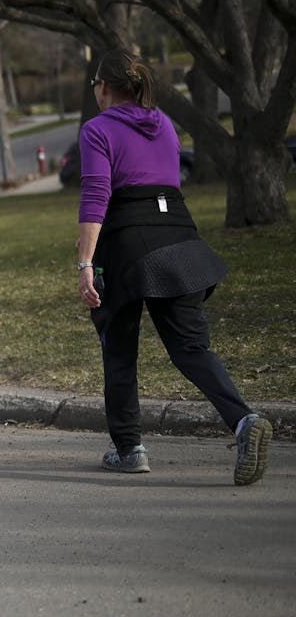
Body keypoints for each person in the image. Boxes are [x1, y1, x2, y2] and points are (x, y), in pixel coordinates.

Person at [76, 50, 271, 485]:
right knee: (191, 348)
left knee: (120, 348)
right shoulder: (163, 122)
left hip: (126, 246)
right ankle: (244, 421)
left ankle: (129, 450)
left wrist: (86, 262)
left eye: (94, 83)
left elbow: (95, 198)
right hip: (180, 237)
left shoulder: (97, 129)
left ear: (103, 86)